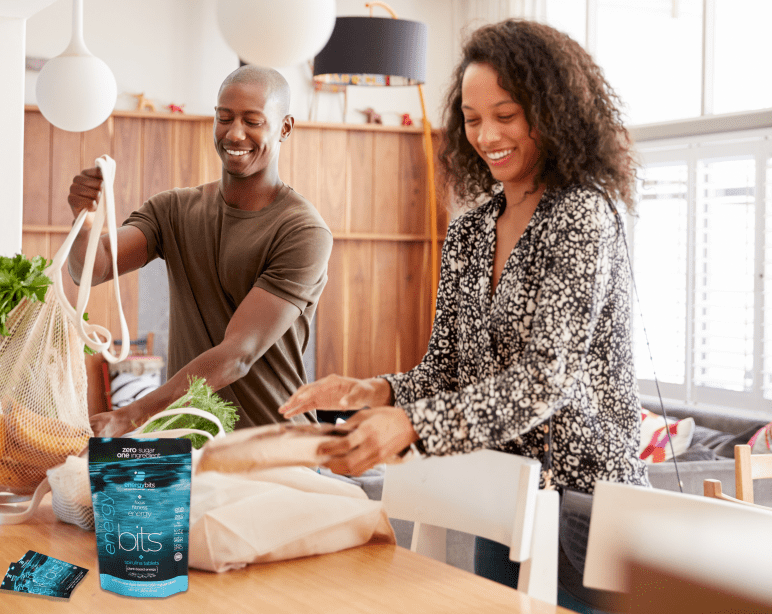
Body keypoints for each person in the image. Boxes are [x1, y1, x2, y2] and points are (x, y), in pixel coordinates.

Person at [278, 20, 647, 613]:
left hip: (585, 507)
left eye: (506, 115)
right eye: (473, 120)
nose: (486, 135)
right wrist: (374, 391)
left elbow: (541, 381)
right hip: (500, 491)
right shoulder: (471, 232)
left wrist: (411, 426)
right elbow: (448, 371)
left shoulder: (583, 218)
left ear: (552, 113)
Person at [67, 65, 332, 437]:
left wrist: (132, 415)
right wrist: (86, 220)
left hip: (275, 448)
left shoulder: (302, 230)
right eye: (224, 118)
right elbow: (88, 271)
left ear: (285, 127)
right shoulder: (173, 210)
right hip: (191, 443)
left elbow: (238, 355)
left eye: (253, 121)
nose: (235, 133)